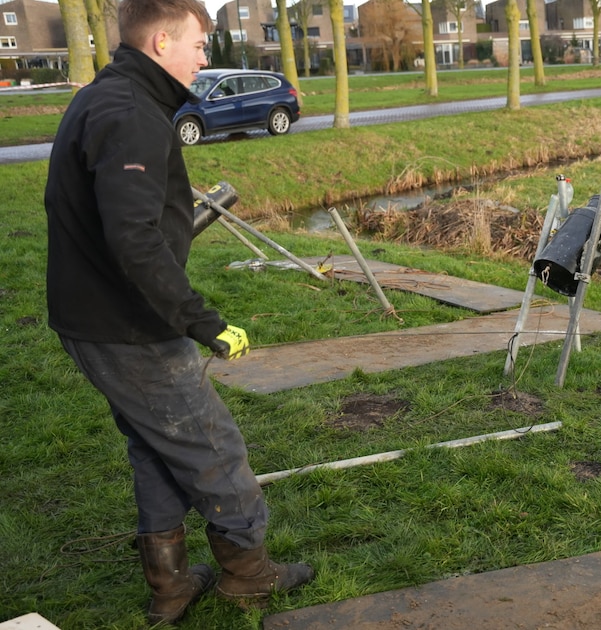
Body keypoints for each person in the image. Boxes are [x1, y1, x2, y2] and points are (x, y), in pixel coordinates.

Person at [43, 0, 313, 624]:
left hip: (92, 316)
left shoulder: (103, 97)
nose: (204, 58)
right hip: (129, 325)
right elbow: (132, 238)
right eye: (198, 44)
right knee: (212, 445)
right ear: (162, 40)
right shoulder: (132, 112)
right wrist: (202, 320)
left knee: (155, 443)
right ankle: (250, 572)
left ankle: (169, 584)